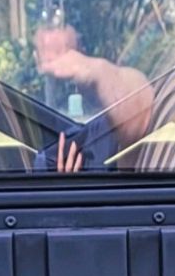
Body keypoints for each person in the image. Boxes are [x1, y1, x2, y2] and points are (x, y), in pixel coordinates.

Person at [32, 21, 156, 171]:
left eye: (69, 55)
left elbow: (141, 110)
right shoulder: (38, 148)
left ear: (82, 53)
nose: (62, 68)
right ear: (36, 60)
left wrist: (97, 72)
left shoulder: (115, 123)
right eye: (50, 62)